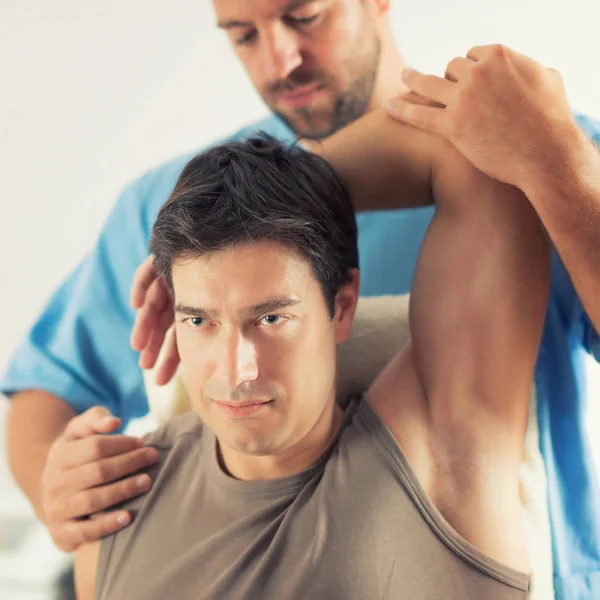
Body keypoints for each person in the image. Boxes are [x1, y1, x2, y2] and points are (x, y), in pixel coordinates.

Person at [2, 1, 599, 597]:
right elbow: (49, 392)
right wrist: (62, 495)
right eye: (243, 34)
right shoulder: (163, 200)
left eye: (305, 16)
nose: (280, 60)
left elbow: (471, 158)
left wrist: (276, 196)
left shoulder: (541, 146)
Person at [74, 107, 548, 599]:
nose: (237, 371)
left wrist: (288, 181)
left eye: (271, 319)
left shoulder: (442, 452)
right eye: (200, 320)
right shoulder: (116, 503)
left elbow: (481, 147)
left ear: (341, 305)